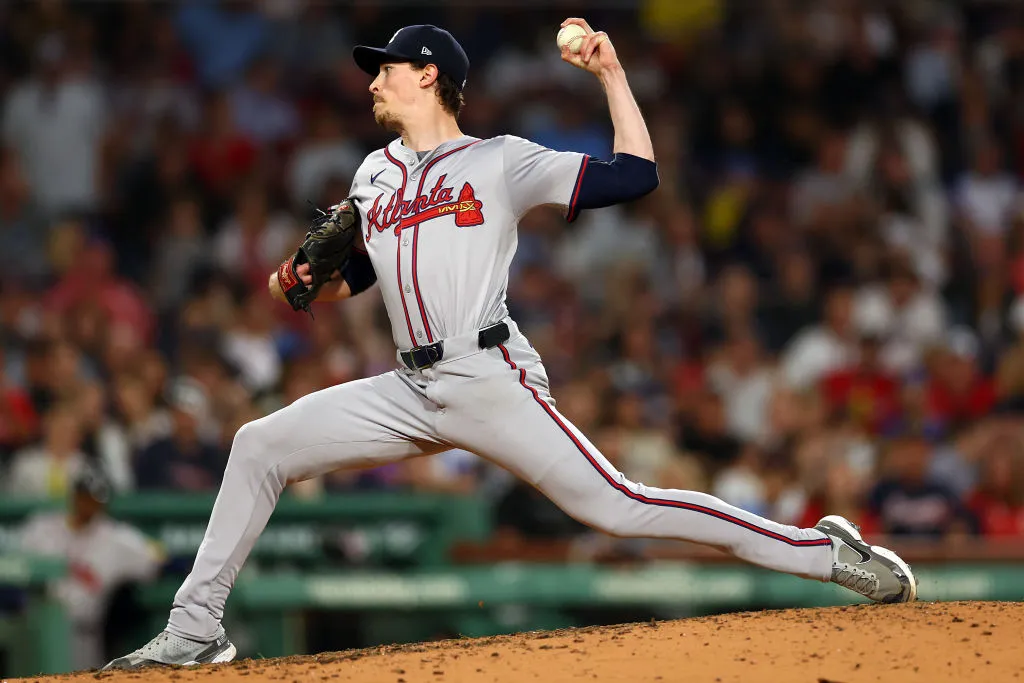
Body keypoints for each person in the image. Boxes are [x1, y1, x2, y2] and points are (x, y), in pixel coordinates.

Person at [103, 20, 917, 670]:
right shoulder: (372, 173)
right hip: (406, 385)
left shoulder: (499, 162)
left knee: (622, 507)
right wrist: (303, 278)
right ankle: (196, 628)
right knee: (258, 445)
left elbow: (636, 174)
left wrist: (609, 74)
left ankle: (824, 551)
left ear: (429, 76)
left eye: (387, 66)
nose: (373, 78)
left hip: (489, 376)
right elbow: (357, 274)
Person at [18, 468, 163, 670]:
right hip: (39, 635)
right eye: (85, 497)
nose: (89, 505)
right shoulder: (41, 528)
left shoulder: (116, 538)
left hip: (84, 636)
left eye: (96, 500)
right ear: (74, 496)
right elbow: (16, 571)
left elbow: (157, 558)